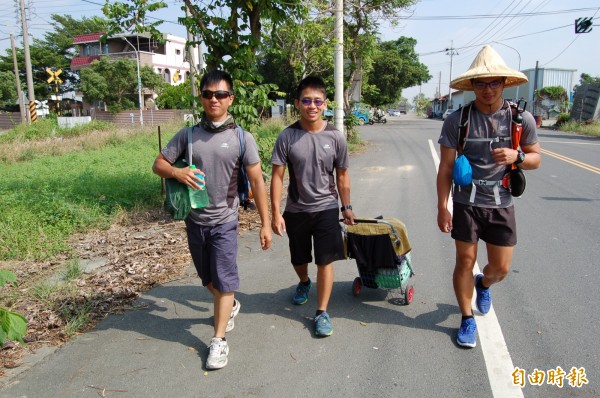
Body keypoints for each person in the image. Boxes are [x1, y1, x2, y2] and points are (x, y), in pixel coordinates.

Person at [152, 70, 272, 369]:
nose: (213, 99)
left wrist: (266, 223)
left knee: (224, 280)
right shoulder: (188, 135)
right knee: (208, 280)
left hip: (225, 221)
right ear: (202, 97)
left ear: (230, 99)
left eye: (220, 95)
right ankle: (228, 305)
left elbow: (257, 182)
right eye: (208, 94)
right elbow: (158, 164)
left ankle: (218, 341)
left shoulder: (242, 138)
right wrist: (177, 172)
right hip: (195, 221)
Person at [436, 45, 541, 348]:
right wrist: (443, 207)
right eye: (481, 83)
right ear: (472, 86)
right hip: (467, 203)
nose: (487, 89)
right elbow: (445, 167)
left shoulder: (521, 120)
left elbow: (536, 159)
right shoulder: (457, 120)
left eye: (494, 82)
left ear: (504, 84)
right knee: (465, 261)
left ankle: (484, 284)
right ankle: (466, 319)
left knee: (501, 268)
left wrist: (516, 155)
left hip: (501, 203)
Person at [270, 75, 356, 337]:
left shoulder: (336, 137)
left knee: (325, 259)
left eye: (317, 101)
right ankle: (304, 282)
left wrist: (347, 206)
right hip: (296, 209)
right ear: (297, 103)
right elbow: (277, 176)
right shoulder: (288, 136)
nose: (312, 106)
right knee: (299, 258)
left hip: (327, 208)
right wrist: (275, 212)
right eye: (306, 100)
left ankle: (321, 312)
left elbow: (342, 175)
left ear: (325, 104)